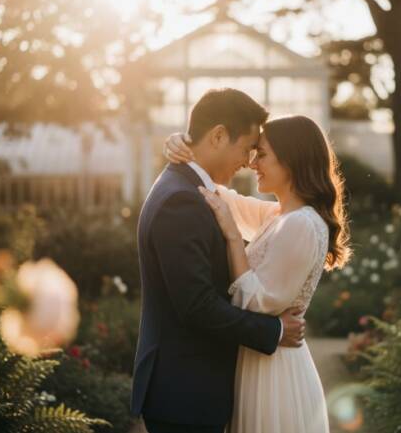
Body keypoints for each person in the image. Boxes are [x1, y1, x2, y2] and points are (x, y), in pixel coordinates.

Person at [131, 88, 307, 433]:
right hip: (185, 395)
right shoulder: (181, 201)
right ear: (218, 136)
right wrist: (275, 330)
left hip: (188, 392)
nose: (249, 161)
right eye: (247, 149)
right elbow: (196, 305)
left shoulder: (192, 190)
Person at [163, 114, 351, 432]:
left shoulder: (301, 224)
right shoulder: (279, 216)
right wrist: (185, 148)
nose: (252, 163)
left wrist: (235, 238)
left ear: (291, 161)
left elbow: (258, 304)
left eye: (261, 154)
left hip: (274, 369)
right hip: (260, 359)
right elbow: (225, 200)